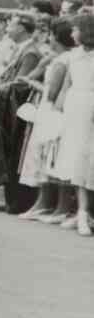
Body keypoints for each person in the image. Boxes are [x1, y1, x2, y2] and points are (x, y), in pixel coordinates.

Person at [13, 18, 75, 220]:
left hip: (51, 110)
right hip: (52, 110)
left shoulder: (61, 60)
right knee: (45, 157)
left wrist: (32, 83)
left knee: (48, 156)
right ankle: (45, 204)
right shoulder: (63, 57)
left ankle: (55, 206)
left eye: (50, 34)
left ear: (56, 38)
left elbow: (52, 93)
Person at [0, 13, 43, 213]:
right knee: (8, 151)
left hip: (17, 110)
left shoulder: (30, 53)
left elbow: (20, 83)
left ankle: (19, 201)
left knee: (15, 152)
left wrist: (0, 89)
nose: (8, 27)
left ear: (22, 28)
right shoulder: (21, 49)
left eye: (11, 24)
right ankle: (11, 199)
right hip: (8, 107)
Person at [45, 14, 94, 234]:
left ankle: (85, 213)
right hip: (75, 106)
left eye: (76, 29)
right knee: (76, 157)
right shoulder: (73, 56)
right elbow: (66, 85)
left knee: (88, 157)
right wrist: (57, 112)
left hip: (90, 106)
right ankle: (81, 212)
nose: (72, 33)